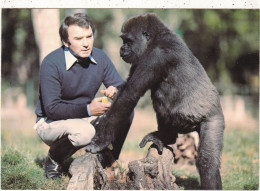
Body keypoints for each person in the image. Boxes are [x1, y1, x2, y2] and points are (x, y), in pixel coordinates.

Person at [34, 13, 133, 179]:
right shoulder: (51, 63)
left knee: (126, 110)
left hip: (82, 118)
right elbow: (52, 110)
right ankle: (54, 159)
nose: (86, 43)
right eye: (79, 38)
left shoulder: (100, 57)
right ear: (66, 42)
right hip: (50, 123)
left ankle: (108, 159)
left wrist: (116, 91)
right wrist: (88, 109)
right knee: (85, 132)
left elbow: (123, 89)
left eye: (89, 36)